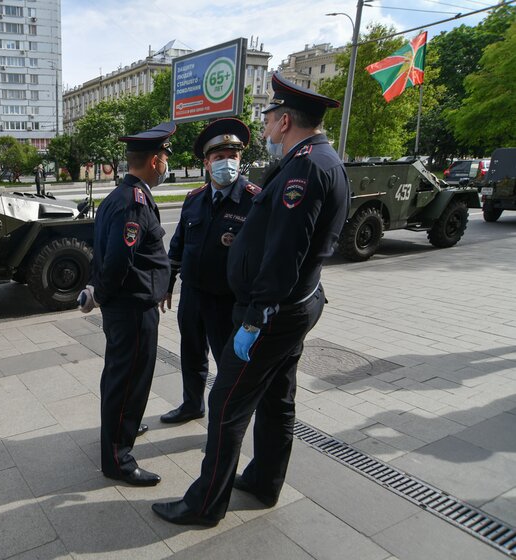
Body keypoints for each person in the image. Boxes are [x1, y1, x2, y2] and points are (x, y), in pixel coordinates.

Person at [152, 73, 350, 525]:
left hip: (274, 313)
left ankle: (205, 504)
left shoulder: (305, 168)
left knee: (226, 405)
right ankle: (264, 480)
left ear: (285, 121)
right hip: (294, 304)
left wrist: (256, 317)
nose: (265, 127)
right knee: (277, 398)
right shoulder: (322, 159)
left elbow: (286, 251)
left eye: (268, 118)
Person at [78, 122, 175, 486]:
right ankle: (118, 459)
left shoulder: (119, 196)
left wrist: (95, 288)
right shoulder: (133, 202)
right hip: (132, 309)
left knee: (121, 375)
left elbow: (103, 250)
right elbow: (118, 260)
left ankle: (123, 426)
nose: (166, 164)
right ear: (154, 161)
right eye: (165, 157)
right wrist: (99, 294)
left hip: (129, 306)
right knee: (129, 379)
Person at [160, 118, 260, 426]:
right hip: (192, 294)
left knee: (228, 363)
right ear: (206, 163)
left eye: (233, 156)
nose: (227, 162)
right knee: (191, 353)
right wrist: (168, 283)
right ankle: (192, 405)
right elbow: (177, 245)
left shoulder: (254, 200)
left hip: (227, 301)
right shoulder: (194, 199)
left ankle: (224, 424)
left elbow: (262, 257)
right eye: (219, 157)